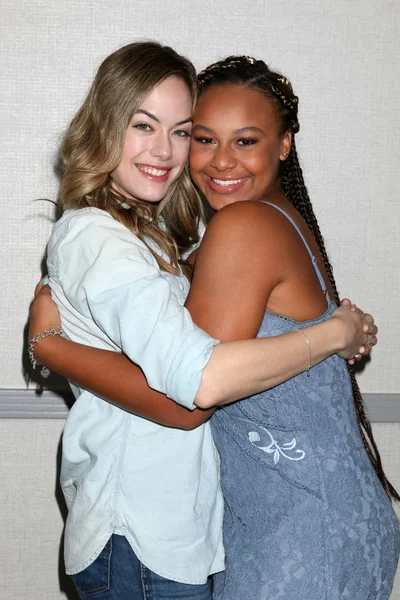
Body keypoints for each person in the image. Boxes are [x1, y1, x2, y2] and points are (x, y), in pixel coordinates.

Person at [28, 43, 382, 600]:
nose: (215, 159)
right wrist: (335, 332)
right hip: (319, 518)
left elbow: (190, 396)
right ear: (104, 127)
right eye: (203, 137)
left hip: (295, 527)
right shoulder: (252, 222)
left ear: (285, 144)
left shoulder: (227, 228)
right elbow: (195, 386)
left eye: (179, 131)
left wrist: (51, 347)